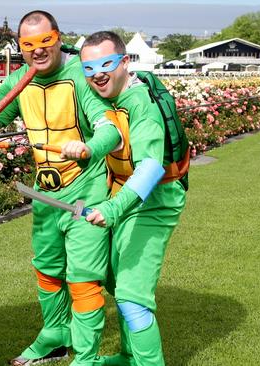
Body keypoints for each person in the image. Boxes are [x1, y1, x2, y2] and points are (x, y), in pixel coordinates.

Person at [0, 10, 122, 366]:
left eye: (45, 42)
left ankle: (85, 357)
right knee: (47, 269)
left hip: (87, 192)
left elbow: (110, 131)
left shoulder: (80, 77)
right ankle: (56, 337)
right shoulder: (20, 80)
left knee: (83, 279)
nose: (37, 51)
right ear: (20, 46)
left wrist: (88, 147)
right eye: (28, 44)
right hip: (45, 195)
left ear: (57, 38)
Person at [63, 31, 188, 365]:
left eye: (106, 64)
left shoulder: (140, 104)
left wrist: (113, 208)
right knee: (118, 283)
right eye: (89, 68)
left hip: (154, 202)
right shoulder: (110, 95)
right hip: (127, 198)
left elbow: (150, 169)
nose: (97, 74)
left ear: (125, 62)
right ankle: (129, 356)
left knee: (132, 295)